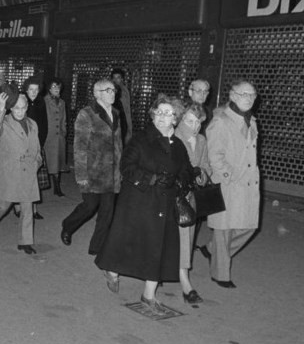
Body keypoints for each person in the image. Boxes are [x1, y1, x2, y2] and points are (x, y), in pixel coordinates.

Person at [95, 94, 193, 315]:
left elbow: (186, 171)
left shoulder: (178, 146)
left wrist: (179, 181)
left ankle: (149, 294)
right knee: (128, 242)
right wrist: (151, 178)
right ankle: (111, 270)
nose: (162, 117)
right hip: (138, 201)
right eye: (158, 112)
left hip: (164, 204)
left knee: (158, 248)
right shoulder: (141, 139)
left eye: (168, 114)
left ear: (176, 119)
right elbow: (126, 166)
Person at [205, 80, 260, 289]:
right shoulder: (221, 121)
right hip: (228, 183)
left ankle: (212, 250)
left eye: (252, 95)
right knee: (224, 229)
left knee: (249, 226)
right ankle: (220, 273)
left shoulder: (251, 120)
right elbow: (215, 156)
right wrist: (230, 175)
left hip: (248, 183)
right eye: (243, 94)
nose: (248, 98)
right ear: (232, 95)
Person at [60, 79, 122, 255]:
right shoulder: (86, 114)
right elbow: (79, 148)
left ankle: (97, 247)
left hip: (112, 173)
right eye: (108, 90)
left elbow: (118, 144)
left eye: (113, 90)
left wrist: (120, 169)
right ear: (97, 94)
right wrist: (81, 176)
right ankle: (68, 225)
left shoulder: (117, 113)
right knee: (89, 206)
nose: (112, 93)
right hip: (93, 171)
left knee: (107, 213)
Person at [0, 87, 41, 254]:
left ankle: (25, 241)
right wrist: (0, 107)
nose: (20, 112)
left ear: (27, 107)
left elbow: (36, 146)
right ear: (10, 108)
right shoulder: (4, 122)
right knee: (3, 205)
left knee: (27, 207)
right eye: (16, 108)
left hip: (28, 171)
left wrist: (37, 161)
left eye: (23, 108)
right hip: (10, 171)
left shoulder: (33, 124)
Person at [174, 103, 211, 303]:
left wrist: (202, 175)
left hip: (190, 196)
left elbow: (206, 165)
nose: (194, 126)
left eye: (198, 122)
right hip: (171, 194)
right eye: (190, 121)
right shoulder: (173, 136)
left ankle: (184, 279)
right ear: (180, 120)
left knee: (186, 237)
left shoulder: (202, 140)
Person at [23, 76, 47, 219]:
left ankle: (34, 209)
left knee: (34, 180)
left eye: (36, 90)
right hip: (21, 146)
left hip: (36, 145)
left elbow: (44, 126)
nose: (33, 92)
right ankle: (19, 207)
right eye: (31, 89)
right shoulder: (20, 102)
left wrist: (39, 145)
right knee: (21, 179)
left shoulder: (40, 103)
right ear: (26, 90)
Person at [43, 77, 69, 196]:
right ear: (49, 89)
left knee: (57, 162)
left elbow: (64, 119)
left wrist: (64, 132)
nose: (56, 89)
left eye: (58, 87)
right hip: (48, 136)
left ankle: (57, 187)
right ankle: (48, 186)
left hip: (59, 137)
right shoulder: (44, 101)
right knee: (48, 162)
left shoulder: (62, 102)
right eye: (54, 87)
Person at [111, 67, 133, 145]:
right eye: (114, 77)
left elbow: (126, 108)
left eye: (118, 77)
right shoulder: (108, 89)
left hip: (122, 120)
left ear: (122, 79)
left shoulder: (124, 91)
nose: (115, 80)